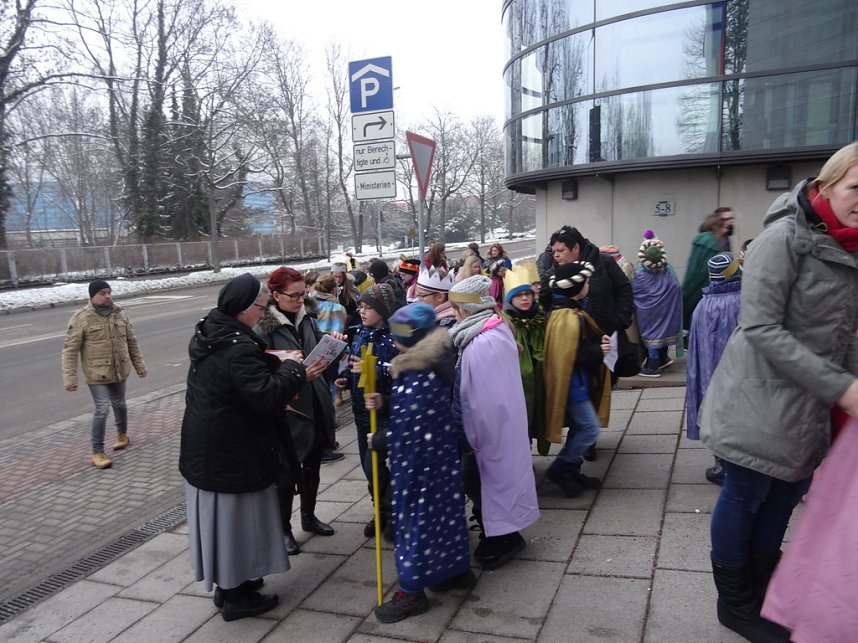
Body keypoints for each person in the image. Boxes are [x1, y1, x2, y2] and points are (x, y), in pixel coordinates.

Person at [699, 142, 858, 642]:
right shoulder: (784, 238)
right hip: (759, 399)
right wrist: (844, 387)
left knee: (785, 496)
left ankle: (765, 585)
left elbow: (846, 332)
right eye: (857, 187)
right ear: (828, 183)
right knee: (746, 495)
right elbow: (761, 327)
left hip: (810, 406)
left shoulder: (851, 245)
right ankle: (735, 602)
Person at [179, 273, 326, 622]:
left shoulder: (212, 334)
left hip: (212, 449)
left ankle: (231, 587)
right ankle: (236, 599)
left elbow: (241, 384)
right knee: (236, 525)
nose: (263, 313)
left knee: (226, 525)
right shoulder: (237, 346)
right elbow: (263, 396)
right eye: (260, 307)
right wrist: (293, 370)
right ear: (243, 309)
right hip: (232, 452)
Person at [364, 303, 473, 623]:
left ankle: (411, 592)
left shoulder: (415, 371)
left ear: (409, 339)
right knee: (444, 515)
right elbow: (419, 412)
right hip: (440, 461)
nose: (393, 341)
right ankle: (452, 571)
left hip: (419, 465)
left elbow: (412, 427)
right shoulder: (435, 359)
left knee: (414, 523)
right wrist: (385, 402)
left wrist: (380, 441)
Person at [448, 275, 539, 570]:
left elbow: (479, 397)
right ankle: (495, 529)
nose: (452, 313)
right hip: (496, 427)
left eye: (455, 308)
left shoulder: (483, 341)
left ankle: (504, 537)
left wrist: (470, 437)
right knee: (487, 483)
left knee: (485, 482)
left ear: (465, 309)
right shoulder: (488, 329)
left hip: (488, 432)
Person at [255, 267, 341, 556]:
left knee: (313, 466)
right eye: (295, 295)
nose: (301, 300)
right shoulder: (264, 327)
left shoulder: (308, 315)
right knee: (286, 473)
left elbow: (314, 345)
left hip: (314, 400)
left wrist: (330, 347)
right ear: (276, 295)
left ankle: (309, 516)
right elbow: (260, 370)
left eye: (304, 293)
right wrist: (292, 370)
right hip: (288, 408)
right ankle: (283, 529)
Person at [542, 262, 612, 498]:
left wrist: (595, 344)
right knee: (590, 429)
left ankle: (572, 470)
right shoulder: (567, 317)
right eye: (587, 282)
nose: (589, 285)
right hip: (573, 385)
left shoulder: (570, 310)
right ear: (577, 287)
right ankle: (561, 468)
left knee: (581, 427)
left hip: (578, 382)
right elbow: (570, 355)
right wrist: (598, 351)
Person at [336, 282, 400, 540]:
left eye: (368, 308)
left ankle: (393, 508)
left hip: (384, 411)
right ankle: (381, 510)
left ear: (383, 311)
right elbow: (353, 362)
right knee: (368, 466)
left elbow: (397, 369)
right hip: (362, 411)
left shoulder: (393, 338)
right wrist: (345, 377)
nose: (362, 312)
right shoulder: (360, 332)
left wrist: (374, 369)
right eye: (360, 306)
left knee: (375, 463)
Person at [62, 279, 147, 469]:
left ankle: (122, 435)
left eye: (109, 292)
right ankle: (98, 451)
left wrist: (139, 366)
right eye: (102, 293)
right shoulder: (81, 318)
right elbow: (69, 350)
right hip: (96, 373)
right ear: (92, 296)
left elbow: (132, 341)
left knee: (120, 403)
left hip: (119, 369)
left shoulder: (120, 313)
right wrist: (70, 379)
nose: (107, 296)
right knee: (102, 409)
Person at [685, 252, 742, 486]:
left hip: (712, 377)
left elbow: (695, 351)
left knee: (716, 416)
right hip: (741, 374)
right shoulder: (745, 299)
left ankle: (723, 466)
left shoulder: (702, 306)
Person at [501, 261, 550, 455]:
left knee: (539, 420)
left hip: (540, 383)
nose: (524, 299)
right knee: (521, 427)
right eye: (519, 295)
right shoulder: (506, 324)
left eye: (527, 294)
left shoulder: (540, 319)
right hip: (518, 387)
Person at [632, 236, 682, 377]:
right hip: (666, 309)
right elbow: (675, 287)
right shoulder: (667, 270)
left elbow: (635, 292)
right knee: (663, 331)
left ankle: (652, 366)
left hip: (649, 313)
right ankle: (663, 358)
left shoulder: (641, 274)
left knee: (652, 335)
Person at [681, 209, 733, 331]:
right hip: (707, 299)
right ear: (717, 226)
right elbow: (705, 275)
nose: (727, 229)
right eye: (724, 225)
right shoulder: (710, 245)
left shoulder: (709, 241)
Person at [485, 242, 513, 307]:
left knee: (499, 299)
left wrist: (501, 271)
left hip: (501, 282)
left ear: (499, 251)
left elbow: (508, 271)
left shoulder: (505, 259)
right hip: (490, 282)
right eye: (492, 251)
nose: (494, 252)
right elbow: (484, 270)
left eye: (495, 251)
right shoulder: (488, 260)